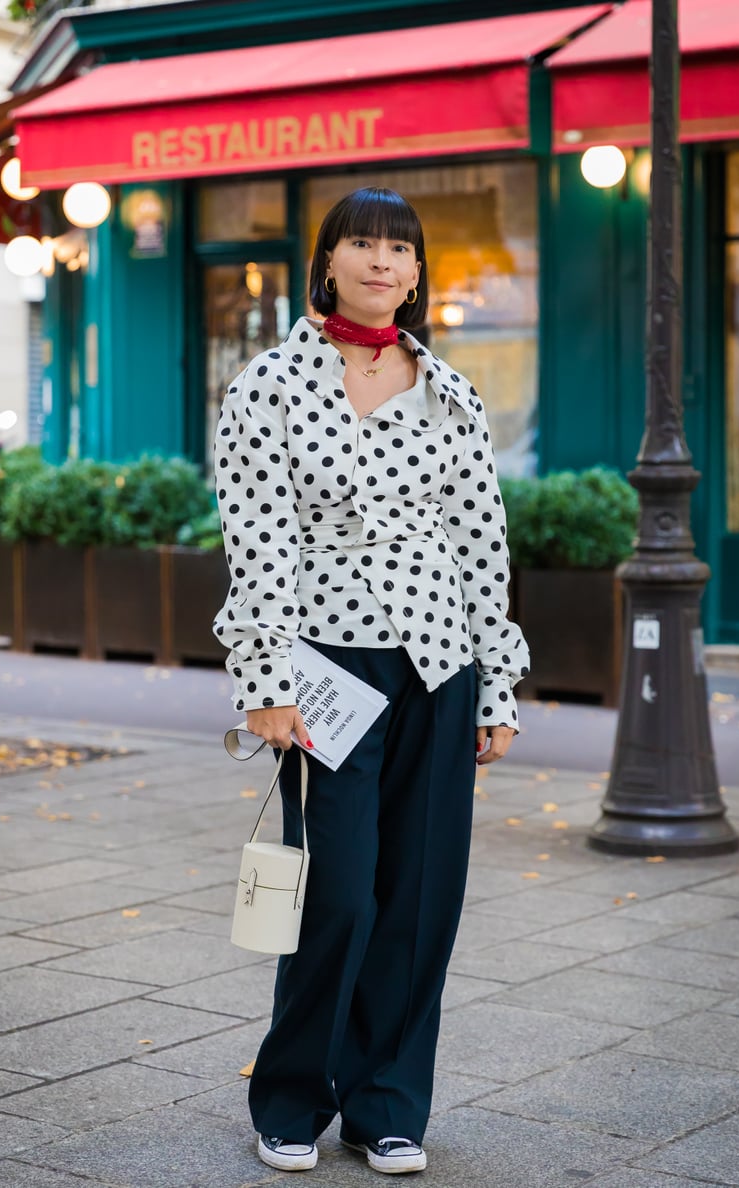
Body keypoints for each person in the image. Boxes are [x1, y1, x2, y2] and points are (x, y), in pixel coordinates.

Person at [214, 186, 529, 1176]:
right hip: (325, 665)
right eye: (364, 243)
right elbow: (258, 542)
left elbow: (483, 544)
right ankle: (294, 1095)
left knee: (421, 894)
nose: (383, 261)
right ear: (329, 260)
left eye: (402, 248)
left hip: (441, 661)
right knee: (339, 892)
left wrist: (499, 683)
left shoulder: (451, 393)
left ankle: (389, 1101)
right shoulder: (267, 387)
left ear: (419, 273)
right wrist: (263, 678)